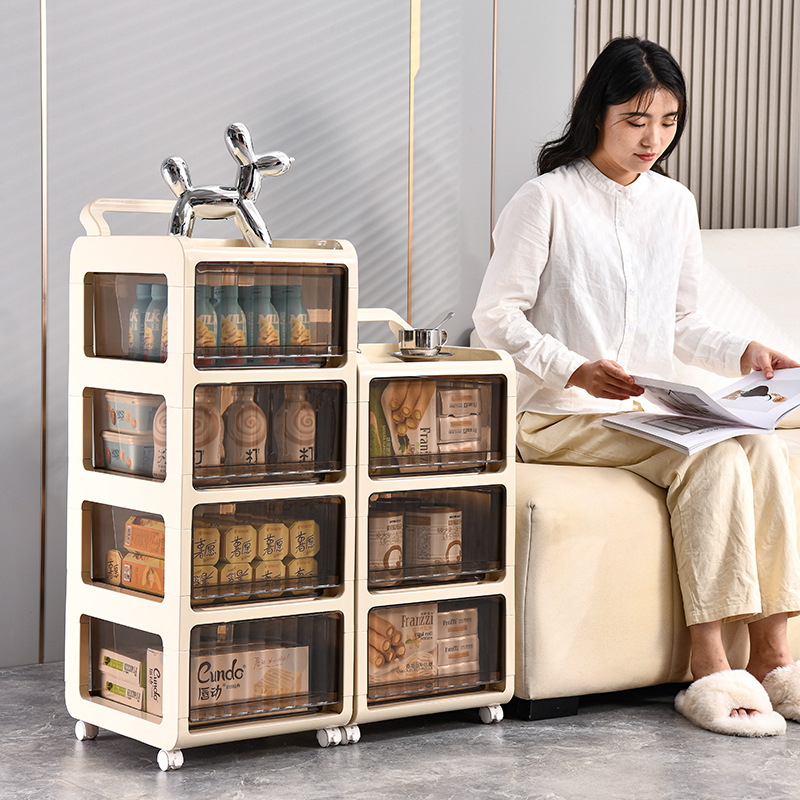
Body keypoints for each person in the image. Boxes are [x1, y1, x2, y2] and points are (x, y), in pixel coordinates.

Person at [472, 36, 800, 737]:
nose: (653, 139)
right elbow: (495, 318)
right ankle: (709, 666)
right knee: (712, 458)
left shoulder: (674, 204)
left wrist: (744, 352)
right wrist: (574, 368)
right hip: (557, 412)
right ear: (599, 114)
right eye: (636, 120)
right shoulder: (545, 199)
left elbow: (681, 322)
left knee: (763, 449)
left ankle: (777, 658)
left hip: (646, 410)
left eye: (668, 121)